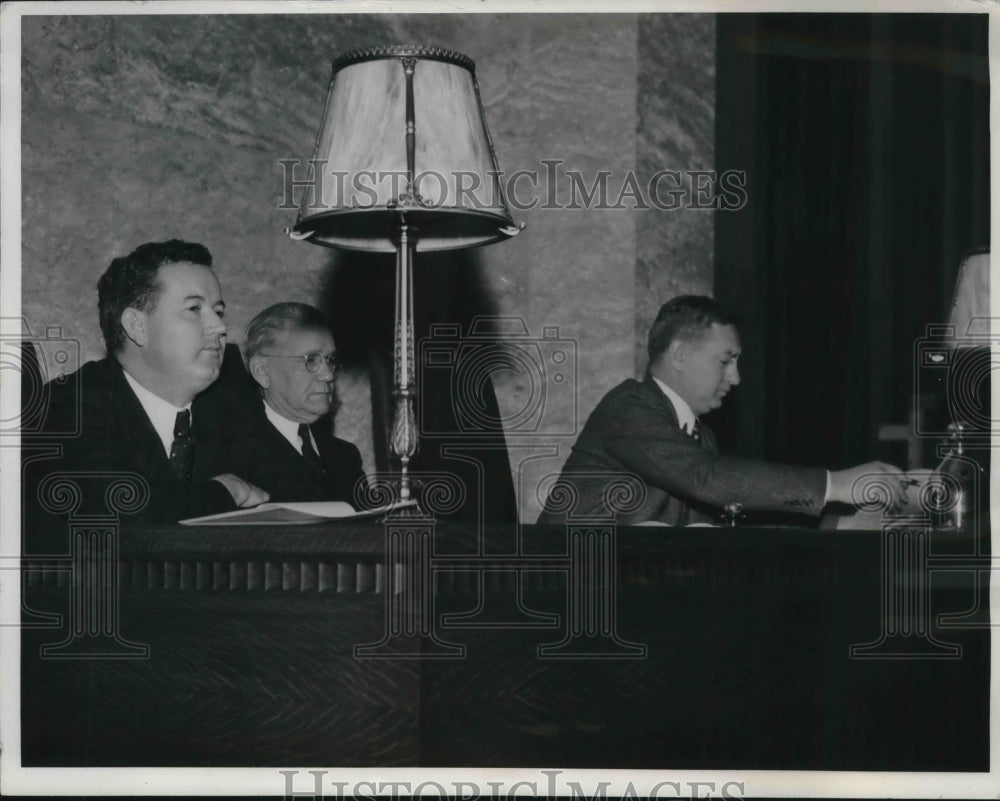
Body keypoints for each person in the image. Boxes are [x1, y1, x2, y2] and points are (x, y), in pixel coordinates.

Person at [537, 295, 908, 526]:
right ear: (679, 355)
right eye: (726, 360)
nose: (736, 377)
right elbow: (707, 479)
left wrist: (841, 527)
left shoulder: (701, 437)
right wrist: (839, 484)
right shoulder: (627, 407)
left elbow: (732, 510)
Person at [26, 240, 269, 538]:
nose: (218, 327)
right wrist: (226, 491)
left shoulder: (232, 396)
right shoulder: (64, 409)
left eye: (218, 311)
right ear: (136, 326)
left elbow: (292, 487)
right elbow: (127, 510)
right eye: (194, 309)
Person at [241, 302, 369, 506]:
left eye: (330, 360)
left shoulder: (344, 456)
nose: (328, 374)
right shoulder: (238, 453)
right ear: (262, 371)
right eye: (311, 360)